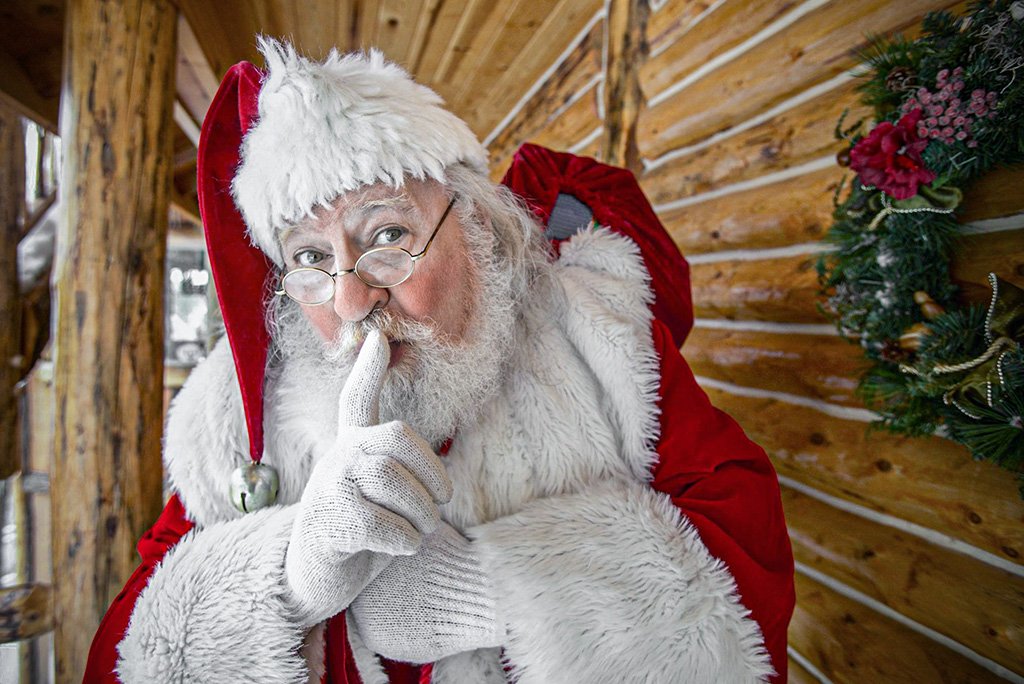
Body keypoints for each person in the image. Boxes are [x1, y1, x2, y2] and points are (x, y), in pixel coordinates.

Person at [84, 38, 794, 683]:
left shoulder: (591, 334)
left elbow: (746, 553)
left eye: (388, 233)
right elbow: (125, 651)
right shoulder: (237, 420)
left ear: (477, 224)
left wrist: (491, 596)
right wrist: (291, 580)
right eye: (309, 259)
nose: (353, 300)